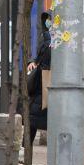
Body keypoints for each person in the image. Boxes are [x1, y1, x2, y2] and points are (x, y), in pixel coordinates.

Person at [25, 11, 52, 147]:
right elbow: (41, 58)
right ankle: (25, 148)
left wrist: (36, 62)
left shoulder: (49, 39)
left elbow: (44, 59)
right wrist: (34, 61)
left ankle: (25, 148)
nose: (47, 22)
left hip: (44, 83)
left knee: (32, 119)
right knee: (34, 118)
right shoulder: (48, 38)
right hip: (44, 83)